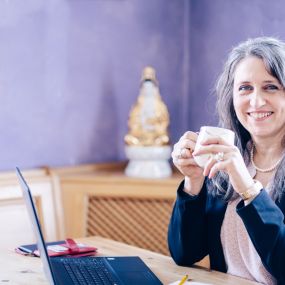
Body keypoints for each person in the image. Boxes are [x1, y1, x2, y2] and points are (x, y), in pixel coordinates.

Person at [168, 37, 285, 285]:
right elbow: (185, 254)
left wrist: (248, 188)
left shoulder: (234, 165)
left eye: (271, 87)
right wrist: (193, 181)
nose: (256, 101)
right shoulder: (226, 158)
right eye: (245, 88)